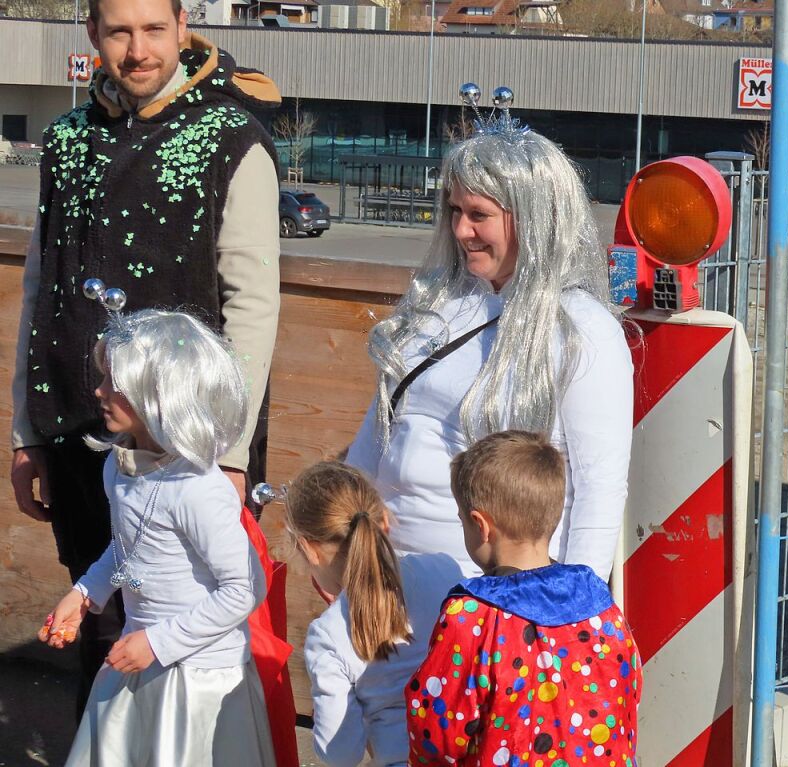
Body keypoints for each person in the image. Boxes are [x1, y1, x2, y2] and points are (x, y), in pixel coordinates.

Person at [8, 0, 285, 731]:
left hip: (190, 449)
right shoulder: (67, 141)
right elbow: (45, 287)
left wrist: (227, 454)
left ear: (183, 26)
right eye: (120, 31)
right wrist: (25, 429)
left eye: (154, 29)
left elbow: (252, 303)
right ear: (92, 34)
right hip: (76, 433)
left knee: (186, 646)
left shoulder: (232, 137)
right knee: (95, 630)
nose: (137, 50)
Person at [347, 97, 633, 580]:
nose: (461, 230)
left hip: (495, 611)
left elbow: (598, 490)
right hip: (388, 586)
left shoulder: (582, 330)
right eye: (454, 210)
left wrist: (566, 615)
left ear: (533, 217)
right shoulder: (435, 305)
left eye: (479, 214)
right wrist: (348, 538)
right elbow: (377, 433)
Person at [39, 308, 274, 766]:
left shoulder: (199, 489)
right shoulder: (121, 466)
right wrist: (86, 591)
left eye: (114, 384)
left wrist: (160, 643)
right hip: (138, 655)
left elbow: (245, 587)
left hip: (196, 677)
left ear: (158, 394)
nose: (99, 391)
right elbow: (130, 545)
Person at [405, 430, 642, 764]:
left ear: (480, 525)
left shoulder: (472, 617)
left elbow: (438, 730)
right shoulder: (598, 603)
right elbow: (627, 696)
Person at [283, 461, 462, 767]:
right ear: (385, 522)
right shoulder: (445, 570)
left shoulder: (327, 634)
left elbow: (341, 753)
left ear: (308, 549)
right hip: (464, 753)